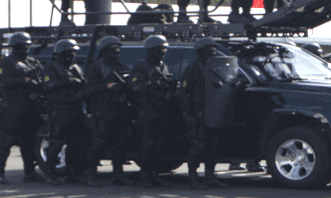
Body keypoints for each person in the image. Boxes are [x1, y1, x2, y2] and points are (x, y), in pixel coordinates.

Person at [178, 37, 230, 189]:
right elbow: (183, 92)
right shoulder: (193, 68)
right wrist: (187, 113)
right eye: (209, 49)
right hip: (199, 111)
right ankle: (193, 177)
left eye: (214, 49)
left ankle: (210, 176)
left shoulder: (216, 67)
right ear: (200, 51)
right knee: (197, 145)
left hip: (214, 110)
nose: (212, 52)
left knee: (213, 145)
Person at [0, 32, 43, 184]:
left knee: (29, 141)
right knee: (6, 140)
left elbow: (40, 79)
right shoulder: (6, 63)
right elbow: (1, 83)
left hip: (30, 105)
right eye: (23, 45)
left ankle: (29, 172)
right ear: (15, 46)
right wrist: (23, 80)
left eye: (28, 45)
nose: (26, 48)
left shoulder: (33, 62)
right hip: (12, 106)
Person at [84, 36, 133, 187]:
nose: (116, 52)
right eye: (112, 50)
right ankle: (92, 174)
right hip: (103, 110)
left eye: (118, 49)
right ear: (104, 51)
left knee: (121, 142)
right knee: (99, 142)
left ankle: (118, 174)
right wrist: (107, 86)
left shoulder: (122, 67)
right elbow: (87, 90)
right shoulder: (96, 67)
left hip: (121, 109)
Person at [129, 35, 177, 187]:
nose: (163, 52)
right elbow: (134, 87)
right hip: (147, 110)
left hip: (162, 108)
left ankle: (155, 174)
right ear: (151, 50)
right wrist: (154, 85)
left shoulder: (162, 66)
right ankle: (144, 175)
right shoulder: (141, 67)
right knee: (148, 143)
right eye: (160, 49)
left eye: (165, 49)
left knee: (159, 144)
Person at [41, 39, 87, 185]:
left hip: (75, 108)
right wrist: (67, 81)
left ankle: (71, 172)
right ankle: (50, 173)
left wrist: (79, 87)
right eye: (70, 52)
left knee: (75, 142)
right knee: (57, 141)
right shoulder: (52, 68)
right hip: (59, 109)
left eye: (74, 52)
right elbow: (48, 85)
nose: (73, 55)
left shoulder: (76, 68)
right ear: (62, 53)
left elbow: (83, 83)